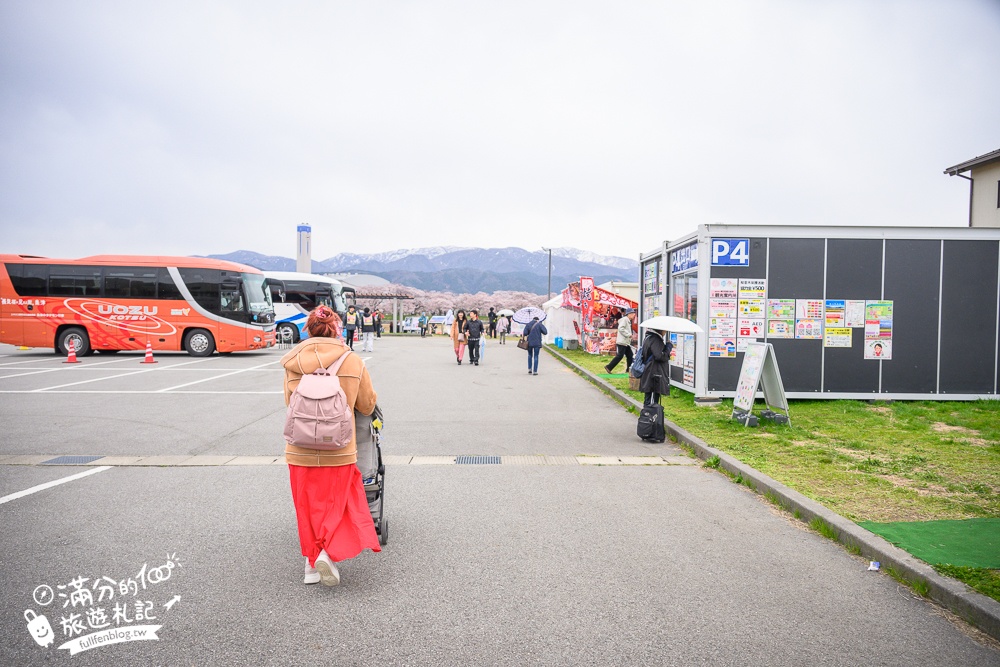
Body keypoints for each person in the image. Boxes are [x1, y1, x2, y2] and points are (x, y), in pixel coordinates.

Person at [280, 305, 380, 586]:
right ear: (337, 329)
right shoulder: (351, 360)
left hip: (300, 450)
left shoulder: (294, 360)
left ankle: (311, 565)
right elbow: (366, 403)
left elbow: (290, 403)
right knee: (339, 504)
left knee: (307, 505)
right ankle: (326, 552)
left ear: (308, 330)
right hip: (339, 448)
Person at [639, 328, 673, 408]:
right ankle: (651, 416)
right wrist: (668, 348)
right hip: (654, 371)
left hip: (649, 370)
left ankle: (646, 415)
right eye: (665, 330)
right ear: (660, 330)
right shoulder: (656, 339)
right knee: (653, 397)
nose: (665, 332)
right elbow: (659, 356)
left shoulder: (649, 337)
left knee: (648, 395)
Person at [605, 309, 636, 374]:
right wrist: (629, 335)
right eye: (633, 314)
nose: (634, 315)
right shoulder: (625, 320)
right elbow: (621, 328)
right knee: (620, 356)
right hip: (622, 341)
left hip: (625, 342)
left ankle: (628, 370)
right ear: (629, 314)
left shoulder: (627, 320)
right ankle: (609, 367)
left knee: (630, 355)